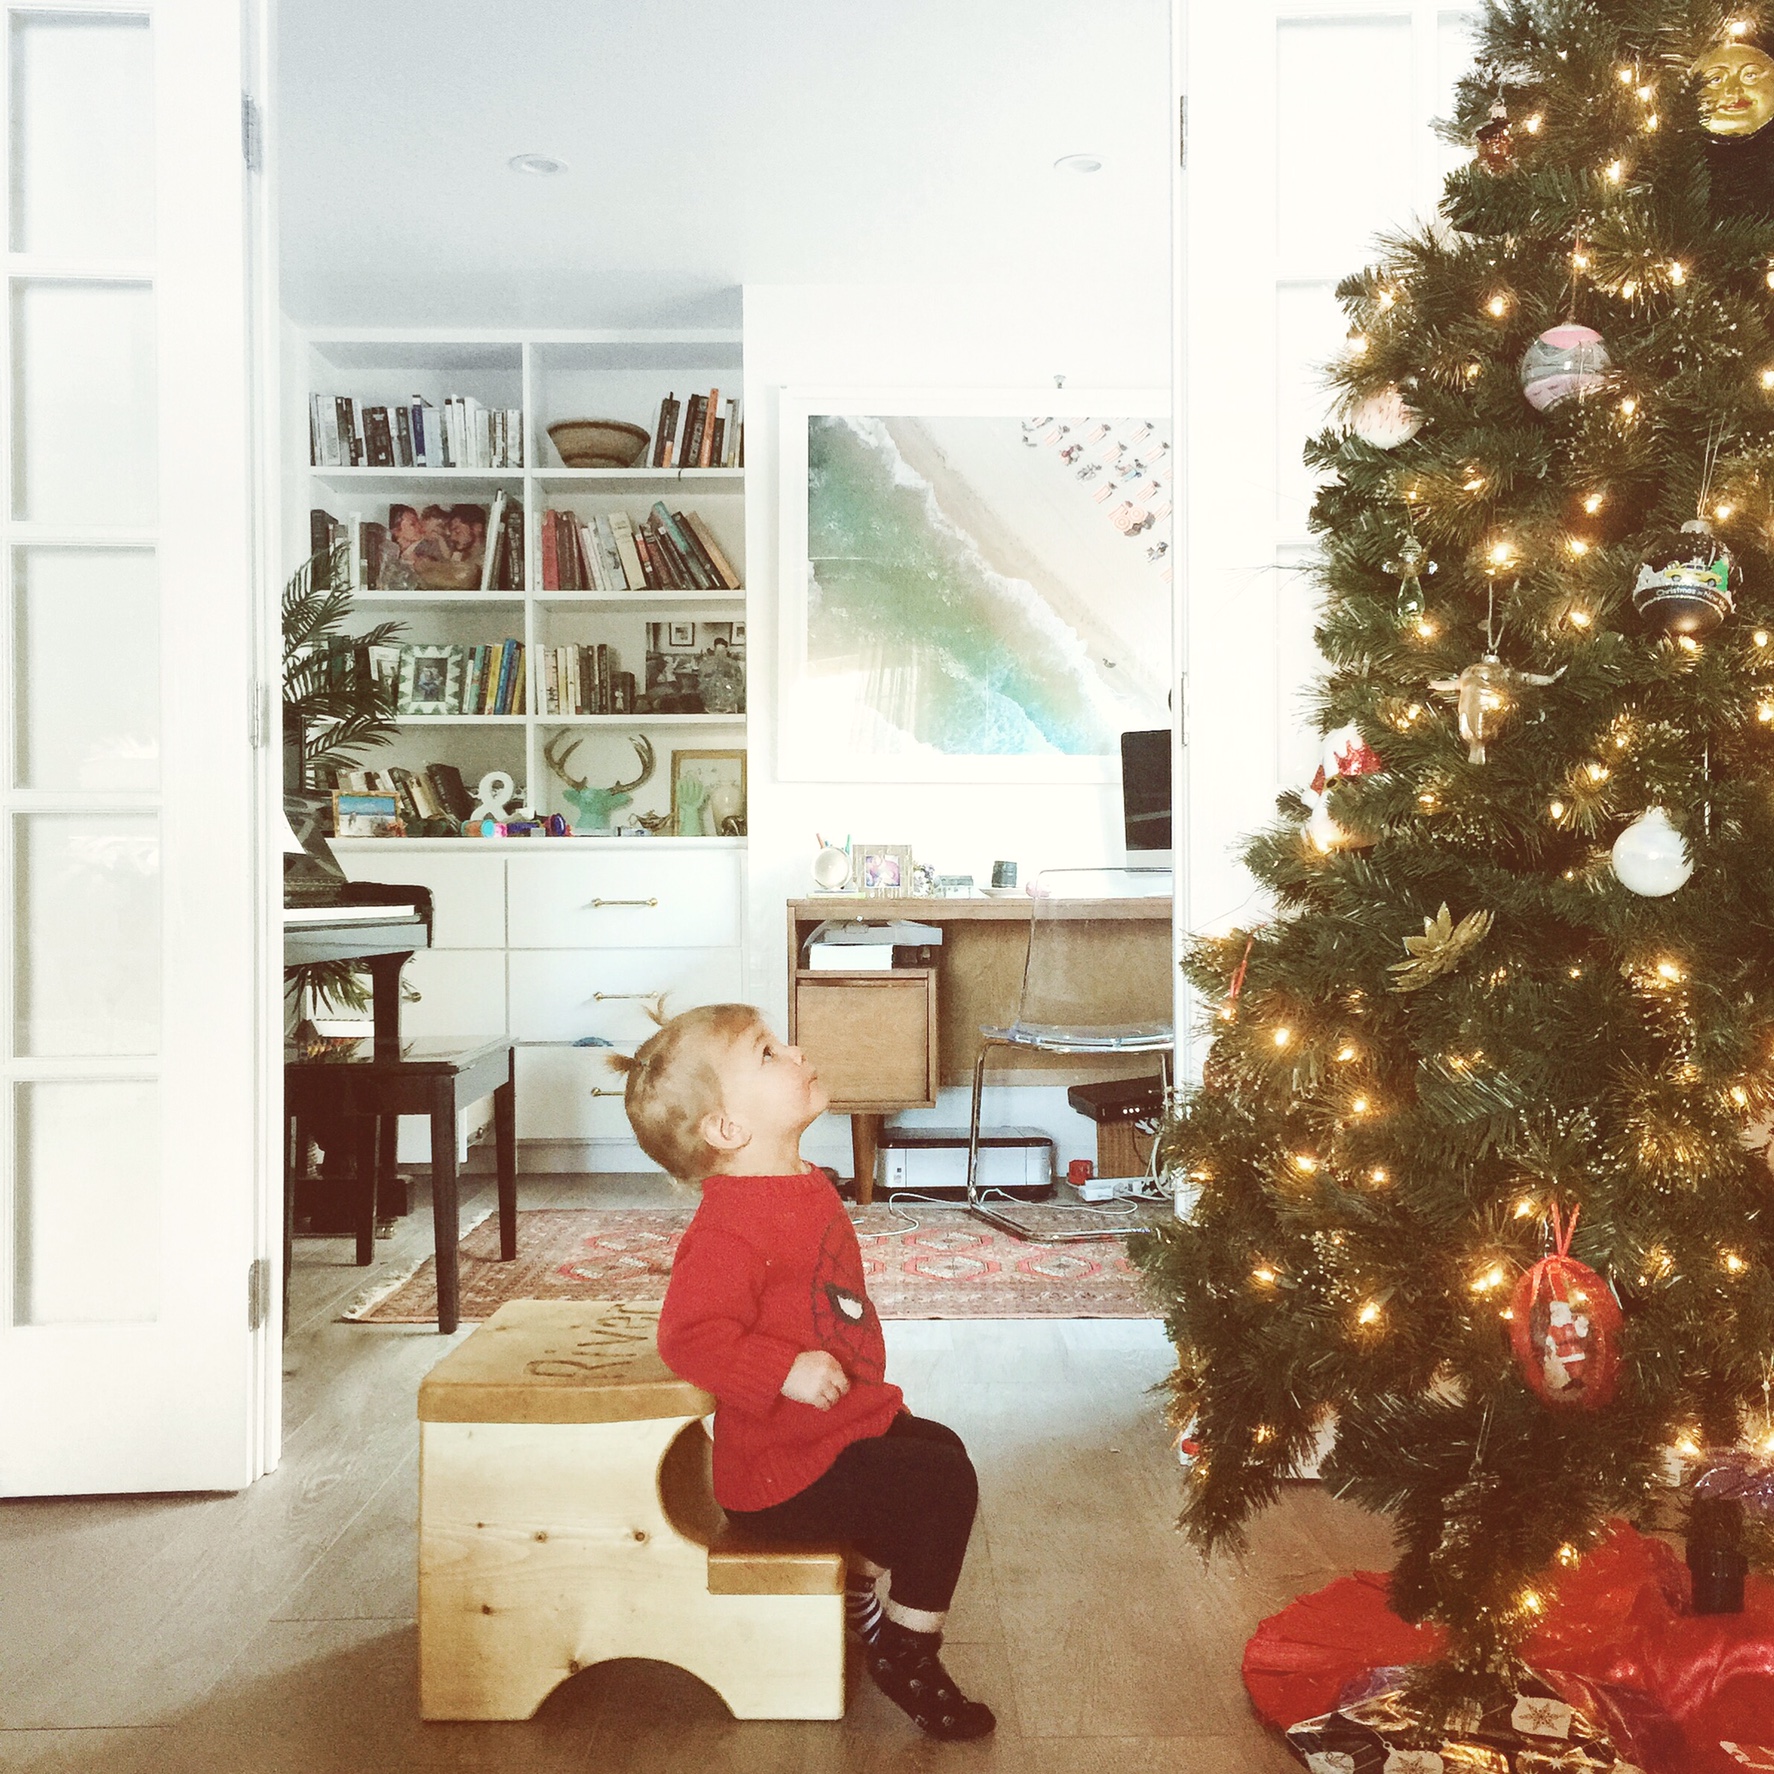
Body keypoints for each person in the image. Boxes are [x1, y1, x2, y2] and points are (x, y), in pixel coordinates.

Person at [612, 1004, 995, 1741]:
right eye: (766, 1053)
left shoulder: (797, 1181)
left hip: (832, 1428)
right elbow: (687, 1336)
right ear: (726, 1129)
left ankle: (853, 1593)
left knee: (941, 1448)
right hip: (781, 1472)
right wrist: (780, 1368)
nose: (794, 1050)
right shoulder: (728, 1226)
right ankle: (906, 1652)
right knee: (943, 1486)